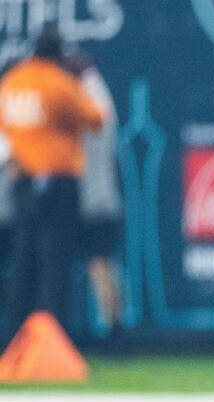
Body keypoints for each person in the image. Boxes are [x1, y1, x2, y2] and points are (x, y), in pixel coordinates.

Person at [0, 27, 103, 336]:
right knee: (56, 262)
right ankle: (53, 338)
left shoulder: (12, 81)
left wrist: (11, 157)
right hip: (57, 181)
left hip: (22, 180)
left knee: (24, 260)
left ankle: (17, 336)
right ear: (59, 55)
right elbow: (98, 119)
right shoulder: (59, 83)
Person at [65, 52, 124, 348]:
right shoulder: (98, 96)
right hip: (101, 198)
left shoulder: (92, 101)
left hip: (95, 200)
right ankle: (115, 327)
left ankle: (114, 330)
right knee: (103, 264)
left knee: (99, 264)